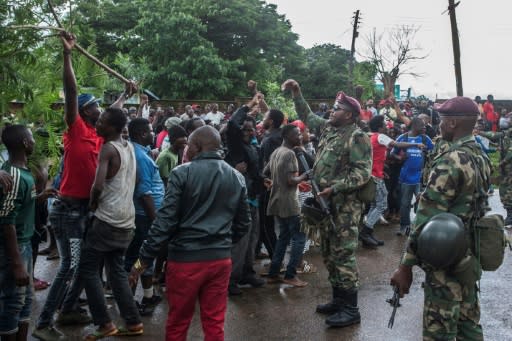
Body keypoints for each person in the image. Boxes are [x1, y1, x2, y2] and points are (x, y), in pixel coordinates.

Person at [33, 31, 135, 341]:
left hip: (87, 210)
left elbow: (114, 113)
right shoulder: (76, 129)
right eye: (95, 109)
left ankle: (68, 310)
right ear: (85, 112)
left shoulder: (100, 136)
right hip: (68, 210)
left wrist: (126, 93)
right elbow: (71, 90)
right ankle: (43, 324)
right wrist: (67, 55)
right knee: (70, 265)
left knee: (83, 264)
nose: (100, 112)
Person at [129, 126, 251, 341]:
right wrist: (222, 243)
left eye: (188, 145)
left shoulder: (182, 173)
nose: (186, 149)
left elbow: (163, 223)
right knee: (214, 322)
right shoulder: (236, 176)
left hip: (185, 261)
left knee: (178, 322)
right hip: (220, 261)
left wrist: (141, 263)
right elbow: (243, 223)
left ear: (197, 146)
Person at [391, 96, 491, 341]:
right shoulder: (480, 156)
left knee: (440, 331)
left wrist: (405, 266)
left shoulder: (451, 160)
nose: (439, 125)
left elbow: (425, 217)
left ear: (453, 123)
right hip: (468, 258)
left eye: (443, 120)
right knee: (469, 325)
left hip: (445, 259)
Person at [282, 79, 372, 327]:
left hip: (345, 207)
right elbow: (307, 116)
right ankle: (338, 301)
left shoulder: (357, 137)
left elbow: (362, 173)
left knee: (343, 255)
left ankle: (351, 309)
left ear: (350, 115)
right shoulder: (331, 129)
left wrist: (335, 187)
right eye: (333, 108)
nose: (332, 112)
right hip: (325, 204)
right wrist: (297, 93)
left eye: (337, 109)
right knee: (329, 254)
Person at [73, 107, 143, 340]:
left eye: (101, 121)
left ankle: (104, 324)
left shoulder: (108, 149)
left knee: (88, 269)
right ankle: (133, 322)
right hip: (126, 221)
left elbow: (99, 185)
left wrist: (93, 204)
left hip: (107, 220)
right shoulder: (130, 147)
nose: (97, 124)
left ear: (113, 128)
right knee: (116, 272)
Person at [0, 125, 55, 341]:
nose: (33, 142)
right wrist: (16, 263)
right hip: (16, 247)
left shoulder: (23, 172)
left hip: (25, 243)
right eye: (31, 138)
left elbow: (20, 204)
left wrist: (40, 196)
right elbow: (6, 219)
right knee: (13, 303)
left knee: (24, 302)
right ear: (24, 143)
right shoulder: (13, 175)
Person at [361, 115, 425, 248]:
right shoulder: (380, 136)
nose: (386, 126)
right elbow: (397, 144)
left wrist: (381, 170)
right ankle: (365, 232)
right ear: (379, 127)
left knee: (375, 204)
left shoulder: (372, 136)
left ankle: (369, 233)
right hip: (375, 177)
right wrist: (415, 143)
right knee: (382, 206)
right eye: (384, 124)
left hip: (375, 174)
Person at [225, 93, 265, 295]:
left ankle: (247, 272)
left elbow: (253, 171)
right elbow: (232, 124)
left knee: (252, 239)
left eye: (252, 129)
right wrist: (249, 105)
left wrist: (262, 181)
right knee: (240, 240)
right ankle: (231, 280)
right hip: (240, 200)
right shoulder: (236, 145)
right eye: (246, 129)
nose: (250, 132)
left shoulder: (251, 147)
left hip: (253, 198)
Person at [124, 118, 165, 316]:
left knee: (145, 256)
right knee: (137, 258)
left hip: (145, 216)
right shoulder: (139, 156)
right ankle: (129, 305)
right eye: (150, 131)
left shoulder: (141, 152)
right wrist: (155, 219)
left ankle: (147, 295)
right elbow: (144, 192)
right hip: (144, 216)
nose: (153, 134)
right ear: (141, 134)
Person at [263, 124, 308, 287]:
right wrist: (305, 175)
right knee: (299, 238)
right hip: (290, 202)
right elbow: (291, 181)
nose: (300, 137)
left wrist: (272, 182)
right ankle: (290, 274)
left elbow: (265, 172)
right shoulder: (289, 154)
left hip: (276, 200)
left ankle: (273, 273)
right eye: (297, 134)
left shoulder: (276, 152)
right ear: (288, 136)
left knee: (283, 238)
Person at [391, 117, 434, 235]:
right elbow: (392, 153)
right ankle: (404, 226)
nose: (425, 127)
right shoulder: (403, 138)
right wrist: (400, 158)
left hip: (420, 178)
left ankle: (420, 227)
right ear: (414, 126)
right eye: (422, 125)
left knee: (423, 203)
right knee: (404, 204)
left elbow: (434, 151)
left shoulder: (425, 139)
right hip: (405, 178)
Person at [257, 108, 285, 260]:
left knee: (265, 224)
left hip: (268, 185)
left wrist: (262, 178)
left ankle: (276, 258)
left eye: (265, 116)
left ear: (271, 122)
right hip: (274, 184)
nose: (263, 118)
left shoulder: (270, 140)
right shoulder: (277, 135)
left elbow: (270, 165)